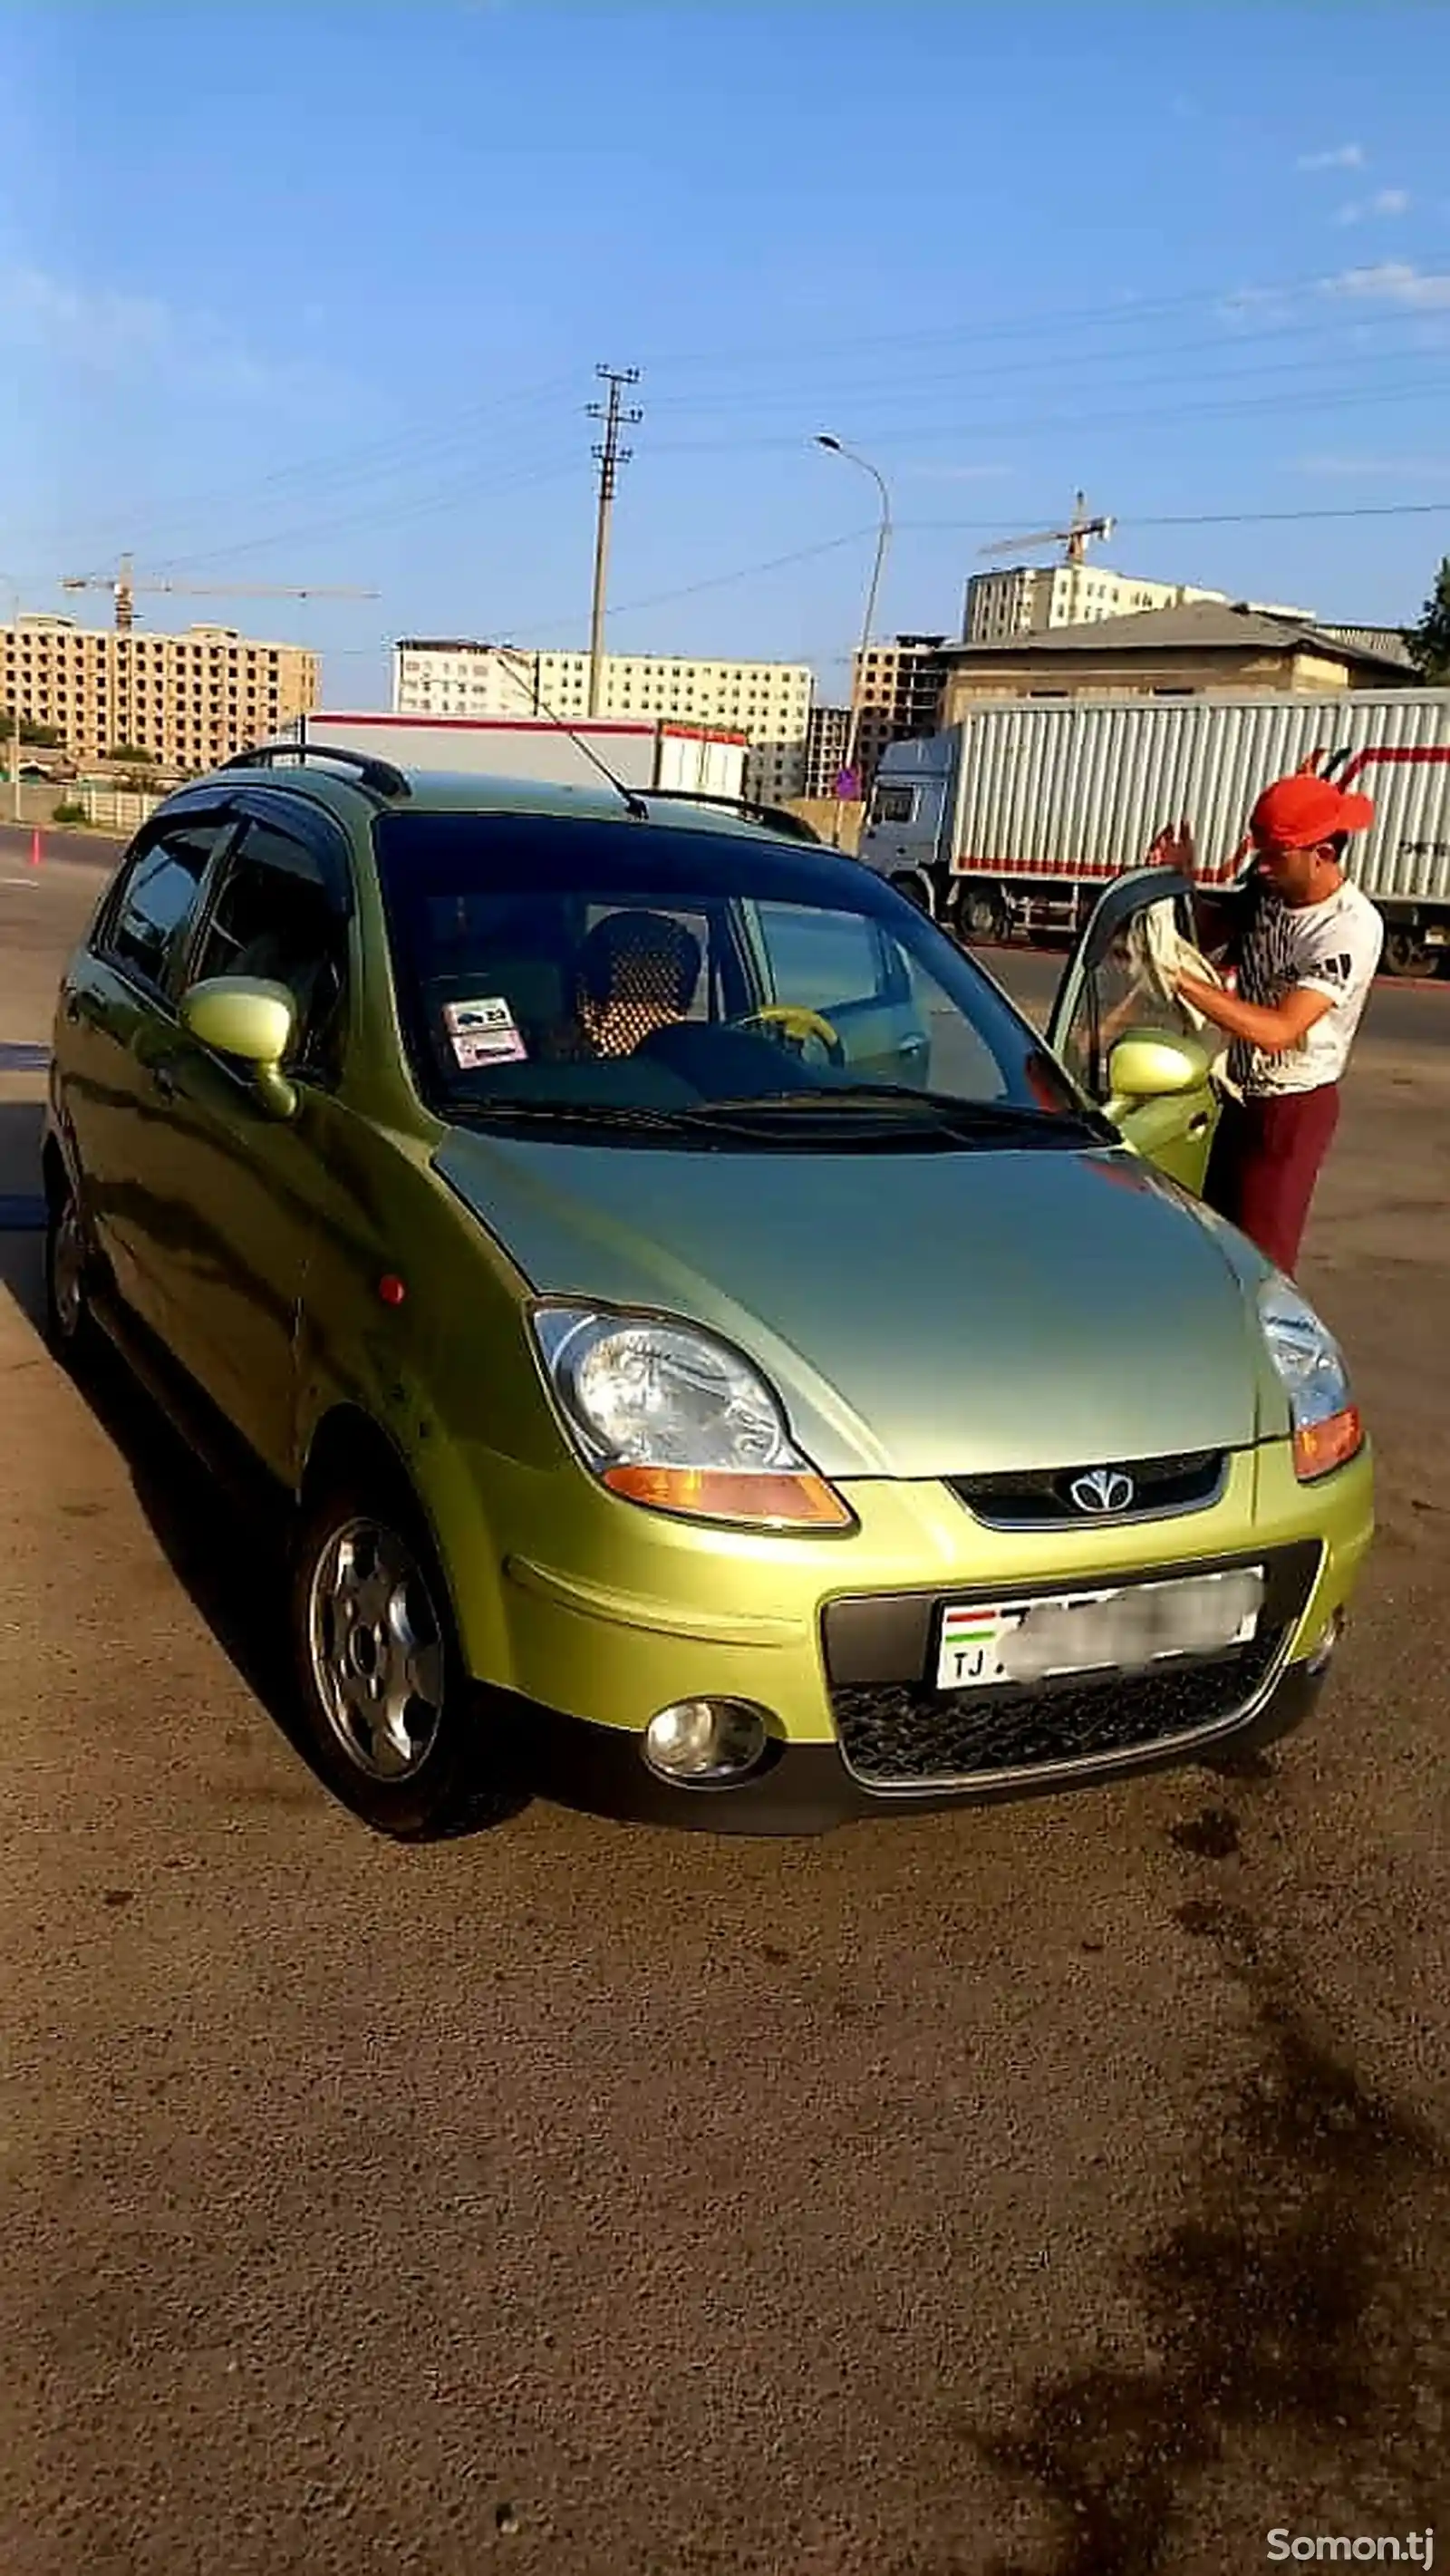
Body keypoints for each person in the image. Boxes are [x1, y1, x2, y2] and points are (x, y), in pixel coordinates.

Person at [1170, 772, 1383, 1277]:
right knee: (1212, 1239)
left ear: (1322, 853)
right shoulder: (1269, 888)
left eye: (1275, 856)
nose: (1262, 867)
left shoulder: (1347, 928)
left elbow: (1279, 1031)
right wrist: (1182, 880)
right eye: (1259, 852)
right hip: (1238, 1095)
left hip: (1291, 1107)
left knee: (1261, 1262)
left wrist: (1182, 981)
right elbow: (1208, 930)